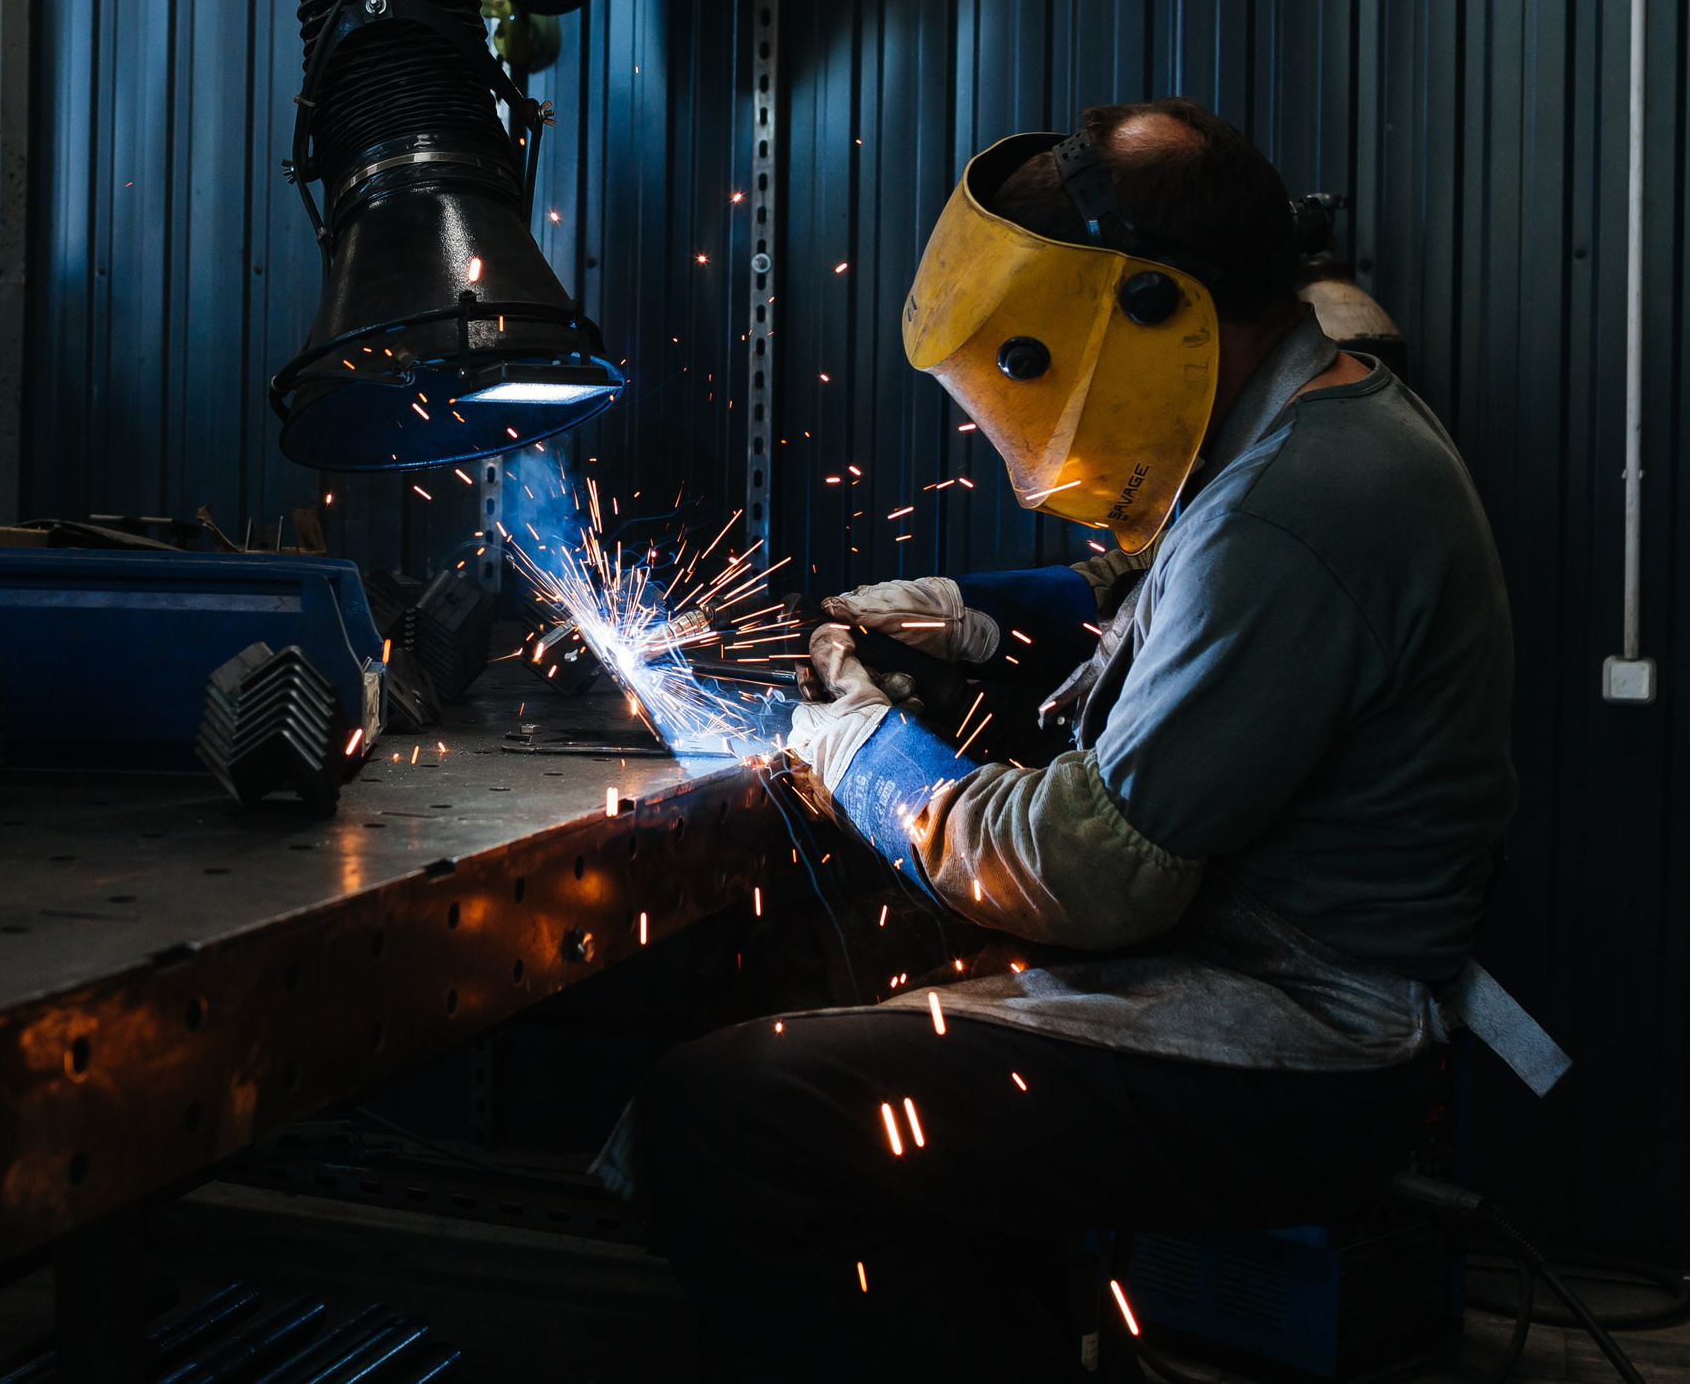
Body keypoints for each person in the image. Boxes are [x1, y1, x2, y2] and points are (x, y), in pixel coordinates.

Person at [625, 99, 1518, 1380]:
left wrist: (857, 752)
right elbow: (1153, 599)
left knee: (721, 1117)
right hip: (1254, 971)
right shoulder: (1294, 424)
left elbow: (1087, 873)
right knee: (873, 1062)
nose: (1002, 435)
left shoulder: (1299, 503)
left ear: (1155, 310)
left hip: (1300, 1033)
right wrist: (974, 619)